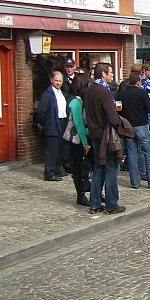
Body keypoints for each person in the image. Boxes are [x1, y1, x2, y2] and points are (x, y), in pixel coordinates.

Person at [83, 63, 124, 214]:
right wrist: (120, 125)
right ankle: (112, 204)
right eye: (111, 72)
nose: (112, 75)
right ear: (103, 74)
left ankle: (94, 203)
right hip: (106, 137)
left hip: (94, 134)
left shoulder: (89, 91)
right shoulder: (104, 92)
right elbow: (112, 117)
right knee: (111, 169)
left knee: (98, 169)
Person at [118, 72, 150, 189]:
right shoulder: (142, 93)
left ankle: (135, 182)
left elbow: (118, 110)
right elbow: (149, 109)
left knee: (132, 154)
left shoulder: (121, 94)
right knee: (148, 153)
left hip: (128, 127)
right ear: (138, 82)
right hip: (141, 126)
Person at [65, 73, 93, 205]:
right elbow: (78, 124)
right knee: (78, 167)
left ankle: (89, 189)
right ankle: (80, 195)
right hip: (75, 139)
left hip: (81, 136)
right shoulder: (75, 102)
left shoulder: (81, 99)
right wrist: (85, 143)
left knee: (85, 166)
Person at [36, 70, 69, 182]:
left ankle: (57, 169)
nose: (58, 83)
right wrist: (42, 122)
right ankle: (49, 172)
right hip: (52, 123)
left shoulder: (62, 92)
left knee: (60, 148)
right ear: (51, 80)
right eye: (56, 80)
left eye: (60, 81)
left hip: (62, 122)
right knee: (52, 149)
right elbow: (42, 111)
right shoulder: (48, 94)